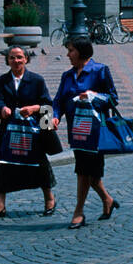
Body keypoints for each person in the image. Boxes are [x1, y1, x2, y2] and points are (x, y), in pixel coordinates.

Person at [51, 35, 120, 230]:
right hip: (76, 130)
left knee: (83, 171)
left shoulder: (100, 71)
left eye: (71, 50)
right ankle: (107, 200)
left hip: (96, 131)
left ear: (82, 51)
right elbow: (58, 101)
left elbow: (113, 98)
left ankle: (78, 212)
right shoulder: (67, 75)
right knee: (92, 175)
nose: (67, 54)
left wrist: (93, 96)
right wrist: (54, 117)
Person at [0, 46, 57, 219]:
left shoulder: (37, 80)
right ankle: (0, 204)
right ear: (7, 60)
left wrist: (35, 111)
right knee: (2, 164)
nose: (16, 61)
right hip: (9, 129)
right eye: (12, 58)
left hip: (32, 130)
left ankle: (49, 199)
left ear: (26, 59)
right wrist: (2, 110)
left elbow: (47, 104)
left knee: (40, 163)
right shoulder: (1, 81)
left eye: (19, 57)